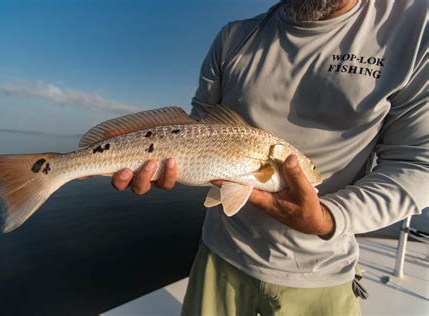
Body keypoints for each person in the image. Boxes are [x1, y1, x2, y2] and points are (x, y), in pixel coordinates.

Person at [110, 0, 428, 315]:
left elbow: (418, 164)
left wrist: (329, 217)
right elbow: (200, 125)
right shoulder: (234, 37)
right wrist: (127, 146)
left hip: (323, 270)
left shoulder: (417, 27)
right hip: (220, 254)